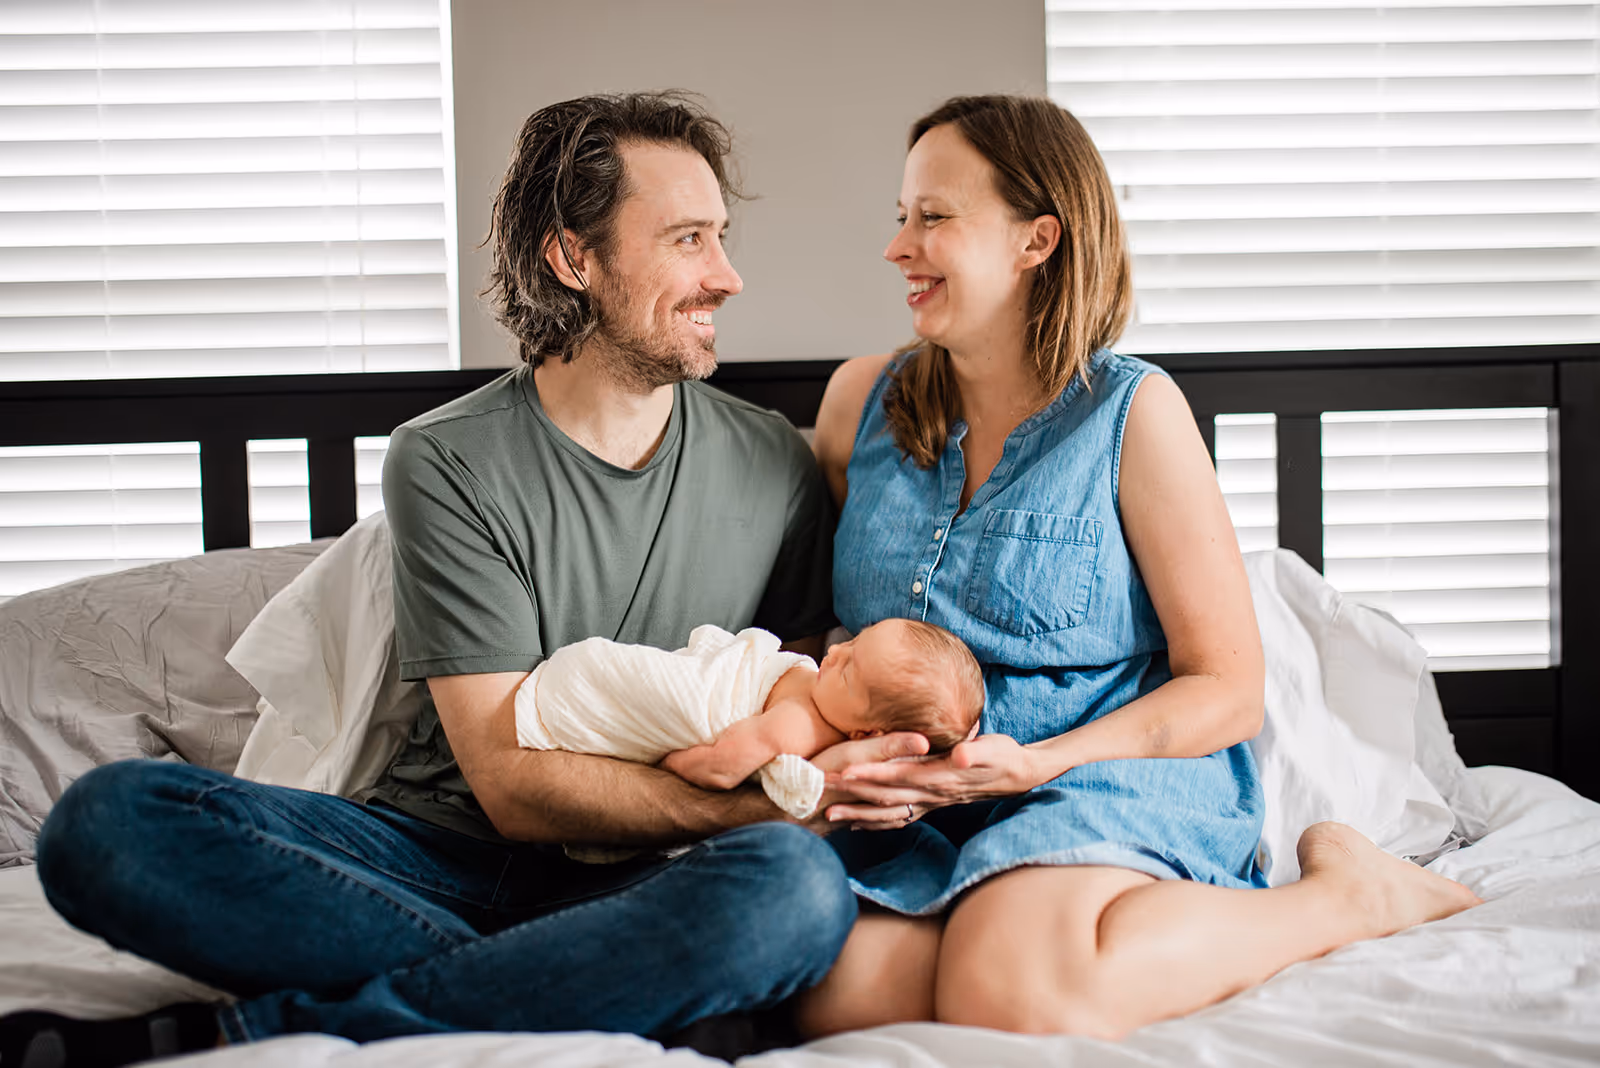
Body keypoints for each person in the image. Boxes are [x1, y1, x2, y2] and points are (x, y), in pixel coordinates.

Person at [10, 92, 927, 1067]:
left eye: (721, 238)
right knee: (104, 823)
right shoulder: (445, 459)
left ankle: (315, 1027)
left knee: (793, 890)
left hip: (645, 876)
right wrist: (766, 804)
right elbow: (512, 789)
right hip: (427, 860)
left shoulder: (770, 463)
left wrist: (813, 793)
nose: (728, 277)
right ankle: (576, 979)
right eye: (688, 240)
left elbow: (791, 689)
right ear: (573, 257)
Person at [795, 94, 1482, 1040]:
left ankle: (1347, 896)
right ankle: (1002, 922)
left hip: (1097, 770)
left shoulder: (1134, 413)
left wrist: (1037, 761)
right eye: (901, 218)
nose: (899, 247)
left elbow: (1230, 689)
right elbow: (824, 638)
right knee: (836, 996)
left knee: (1013, 992)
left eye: (934, 217)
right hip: (922, 802)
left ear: (1038, 239)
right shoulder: (856, 405)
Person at [518, 618, 984, 817]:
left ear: (866, 732)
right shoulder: (822, 690)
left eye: (849, 670)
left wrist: (661, 767)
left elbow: (721, 768)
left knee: (625, 685)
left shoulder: (799, 726)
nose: (836, 651)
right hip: (715, 671)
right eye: (854, 642)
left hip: (692, 700)